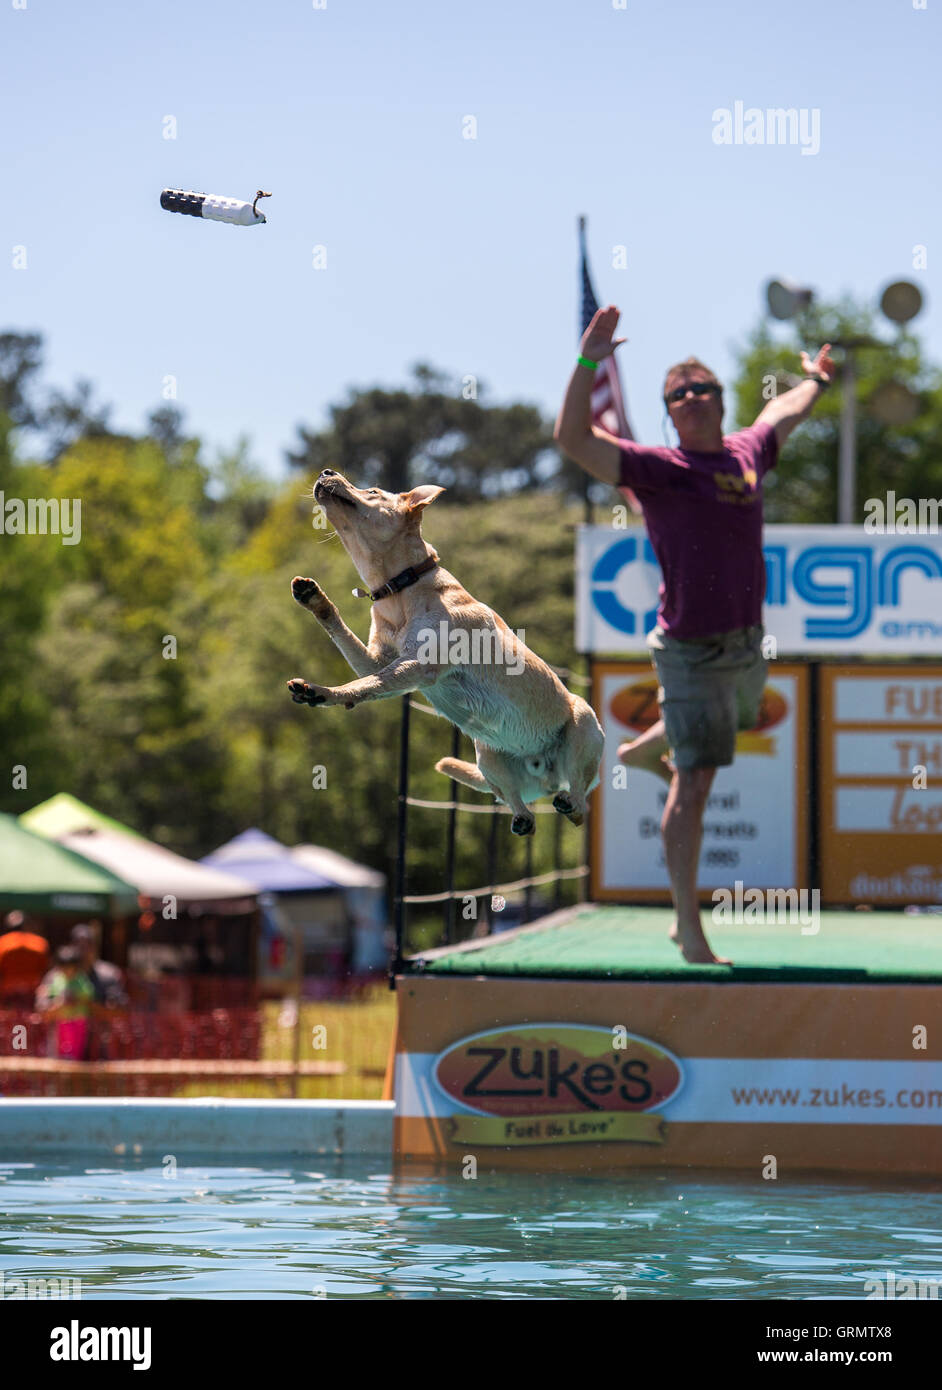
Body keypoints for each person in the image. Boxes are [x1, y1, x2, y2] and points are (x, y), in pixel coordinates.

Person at [555, 304, 834, 964]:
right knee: (698, 780)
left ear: (718, 399)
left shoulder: (747, 452)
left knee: (731, 727)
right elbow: (572, 438)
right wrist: (589, 358)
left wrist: (816, 381)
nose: (691, 397)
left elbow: (783, 412)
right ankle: (690, 926)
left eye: (701, 387)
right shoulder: (658, 471)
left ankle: (645, 751)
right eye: (677, 393)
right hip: (690, 653)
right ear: (670, 412)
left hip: (746, 645)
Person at [38, 945, 96, 1060]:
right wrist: (58, 1001)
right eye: (65, 969)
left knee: (77, 1047)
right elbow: (48, 996)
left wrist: (77, 999)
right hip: (61, 1019)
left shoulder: (81, 979)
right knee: (61, 1045)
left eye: (70, 968)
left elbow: (89, 994)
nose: (68, 972)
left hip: (78, 1019)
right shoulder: (56, 979)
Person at [0, 912, 50, 1003]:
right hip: (32, 990)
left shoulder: (2, 943)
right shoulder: (40, 943)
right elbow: (44, 968)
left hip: (8, 990)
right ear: (27, 926)